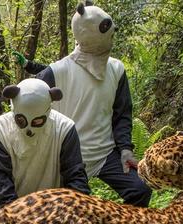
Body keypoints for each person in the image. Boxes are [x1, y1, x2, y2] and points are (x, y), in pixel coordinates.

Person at [13, 2, 152, 207]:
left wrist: (125, 149)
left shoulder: (116, 69)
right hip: (67, 160)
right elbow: (27, 102)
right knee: (71, 213)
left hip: (105, 155)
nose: (113, 31)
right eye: (105, 27)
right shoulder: (57, 72)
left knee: (140, 190)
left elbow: (122, 113)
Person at [0, 78, 90, 215]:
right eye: (21, 121)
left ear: (48, 112)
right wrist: (18, 216)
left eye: (37, 122)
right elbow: (1, 181)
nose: (29, 129)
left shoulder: (64, 129)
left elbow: (75, 178)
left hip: (51, 213)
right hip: (7, 210)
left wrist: (74, 212)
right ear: (14, 110)